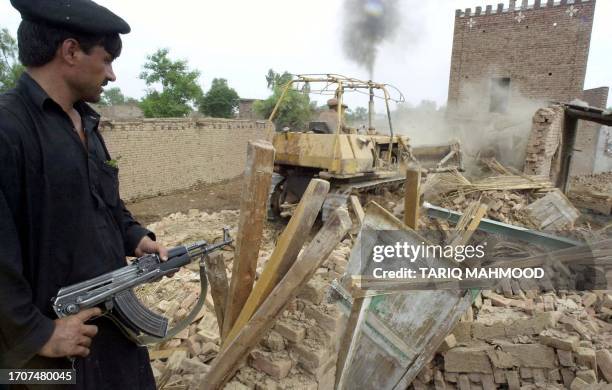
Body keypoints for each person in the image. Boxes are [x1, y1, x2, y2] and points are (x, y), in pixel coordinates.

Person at [0, 0, 168, 388]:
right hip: (46, 359)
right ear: (71, 51)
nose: (111, 75)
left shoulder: (87, 124)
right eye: (106, 60)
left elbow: (106, 204)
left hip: (111, 333)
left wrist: (135, 236)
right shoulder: (9, 129)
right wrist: (38, 334)